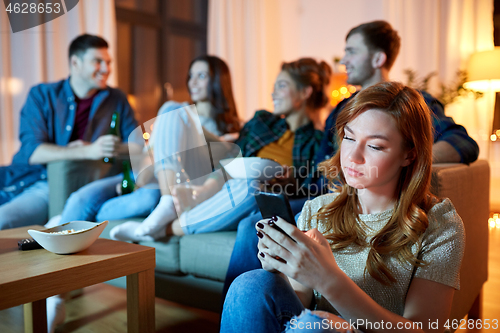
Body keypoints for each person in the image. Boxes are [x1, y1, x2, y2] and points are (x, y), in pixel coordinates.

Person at [220, 20, 479, 304]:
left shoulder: (410, 104)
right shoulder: (344, 107)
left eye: (351, 51)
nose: (343, 61)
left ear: (378, 58)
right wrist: (295, 181)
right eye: (350, 138)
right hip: (321, 197)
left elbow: (463, 142)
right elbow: (325, 164)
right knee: (254, 275)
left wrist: (403, 162)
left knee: (249, 225)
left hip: (356, 195)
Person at [221, 81, 465, 333]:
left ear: (409, 154)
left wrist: (329, 282)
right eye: (349, 137)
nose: (352, 156)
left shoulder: (439, 224)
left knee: (313, 326)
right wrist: (285, 266)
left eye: (374, 146)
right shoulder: (317, 210)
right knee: (251, 284)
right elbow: (301, 299)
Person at [110, 57, 331, 242]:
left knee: (252, 188)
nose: (273, 92)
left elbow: (309, 187)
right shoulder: (263, 122)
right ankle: (168, 201)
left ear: (305, 93)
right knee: (172, 109)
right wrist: (208, 185)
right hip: (221, 179)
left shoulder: (317, 142)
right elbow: (233, 157)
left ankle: (161, 230)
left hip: (251, 191)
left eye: (282, 86)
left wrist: (290, 180)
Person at [54, 55, 241, 232]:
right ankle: (61, 224)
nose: (192, 82)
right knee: (80, 199)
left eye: (201, 76)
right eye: (190, 75)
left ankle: (71, 221)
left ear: (218, 81)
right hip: (142, 175)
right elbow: (144, 167)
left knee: (147, 199)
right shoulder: (179, 115)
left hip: (166, 182)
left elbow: (226, 163)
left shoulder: (234, 131)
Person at [0, 34, 137, 232]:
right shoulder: (42, 95)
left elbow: (136, 146)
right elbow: (32, 151)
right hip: (26, 177)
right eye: (98, 61)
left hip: (56, 187)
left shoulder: (116, 99)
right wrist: (88, 151)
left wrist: (113, 149)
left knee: (3, 220)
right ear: (75, 62)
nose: (107, 69)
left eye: (108, 62)